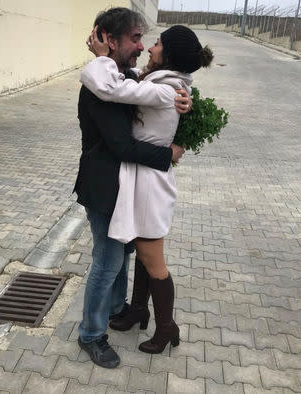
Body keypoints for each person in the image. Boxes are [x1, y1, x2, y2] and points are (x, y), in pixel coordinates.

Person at [81, 24, 213, 354]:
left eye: (155, 44)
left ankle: (166, 328)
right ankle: (139, 310)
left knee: (154, 261)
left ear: (167, 56)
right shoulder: (164, 83)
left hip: (150, 183)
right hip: (143, 178)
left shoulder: (165, 90)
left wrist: (100, 57)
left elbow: (113, 89)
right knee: (141, 252)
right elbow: (134, 76)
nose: (149, 48)